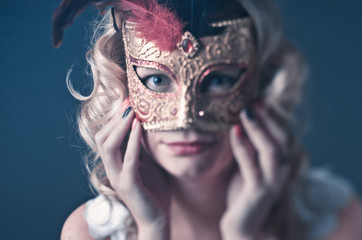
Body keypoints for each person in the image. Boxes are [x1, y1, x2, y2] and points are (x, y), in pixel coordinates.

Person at [52, 0, 362, 239]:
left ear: (261, 87)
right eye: (158, 80)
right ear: (123, 86)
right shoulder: (89, 233)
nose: (186, 117)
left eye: (218, 81)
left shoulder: (335, 218)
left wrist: (242, 234)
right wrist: (151, 230)